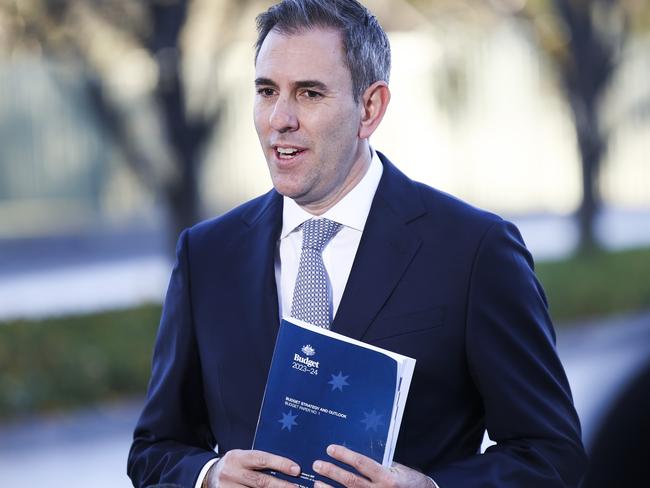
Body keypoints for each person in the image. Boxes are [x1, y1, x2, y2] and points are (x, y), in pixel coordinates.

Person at [127, 1, 587, 487]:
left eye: (308, 93)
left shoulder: (475, 251)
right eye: (266, 91)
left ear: (370, 108)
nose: (279, 118)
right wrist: (210, 475)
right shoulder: (207, 256)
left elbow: (552, 454)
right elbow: (154, 449)